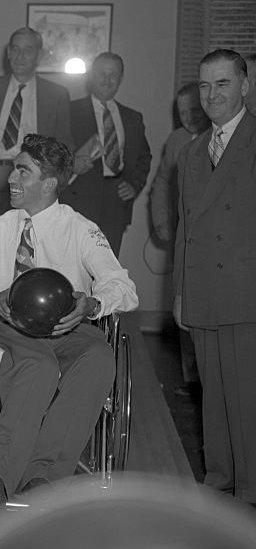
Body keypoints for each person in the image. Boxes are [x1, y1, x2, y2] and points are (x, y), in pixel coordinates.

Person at [0, 133, 138, 519]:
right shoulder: (1, 227)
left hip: (68, 328)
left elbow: (124, 288)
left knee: (100, 359)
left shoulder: (81, 229)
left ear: (49, 183)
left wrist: (92, 304)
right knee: (39, 367)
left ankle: (45, 481)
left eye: (23, 171)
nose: (11, 178)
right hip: (10, 327)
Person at [175, 49, 256, 505]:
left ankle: (250, 488)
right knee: (214, 396)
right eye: (204, 86)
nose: (212, 95)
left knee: (248, 395)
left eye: (222, 84)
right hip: (204, 288)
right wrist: (181, 293)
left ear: (244, 85)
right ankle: (219, 479)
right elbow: (187, 227)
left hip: (247, 289)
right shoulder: (190, 153)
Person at [0, 27, 72, 229]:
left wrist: (49, 183)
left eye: (27, 50)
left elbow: (64, 145)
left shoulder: (57, 95)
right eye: (15, 49)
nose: (20, 55)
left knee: (27, 248)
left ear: (40, 55)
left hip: (33, 179)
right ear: (8, 53)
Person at [148, 82, 209, 394]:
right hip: (184, 235)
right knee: (183, 301)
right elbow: (161, 182)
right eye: (181, 112)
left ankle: (211, 376)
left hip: (214, 239)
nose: (187, 118)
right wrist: (161, 220)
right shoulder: (176, 141)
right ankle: (192, 379)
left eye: (193, 111)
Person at [60, 52, 152, 255]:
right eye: (102, 73)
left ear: (121, 78)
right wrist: (71, 163)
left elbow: (144, 157)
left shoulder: (133, 118)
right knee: (72, 268)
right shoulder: (69, 111)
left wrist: (134, 185)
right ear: (91, 76)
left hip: (115, 203)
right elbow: (51, 152)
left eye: (114, 75)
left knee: (107, 271)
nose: (107, 80)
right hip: (78, 199)